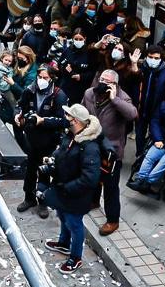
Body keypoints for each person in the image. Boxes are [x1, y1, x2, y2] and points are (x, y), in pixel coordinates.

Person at [42, 105, 104, 273]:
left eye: (68, 115)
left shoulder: (90, 147)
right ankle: (64, 243)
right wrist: (52, 160)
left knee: (74, 224)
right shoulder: (71, 135)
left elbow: (90, 178)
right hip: (64, 189)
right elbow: (61, 151)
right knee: (62, 215)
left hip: (76, 194)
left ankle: (75, 257)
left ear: (75, 120)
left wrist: (68, 187)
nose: (65, 117)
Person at [84, 69, 138, 235]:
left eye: (108, 81)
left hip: (112, 149)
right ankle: (93, 201)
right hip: (92, 144)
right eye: (102, 79)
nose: (103, 83)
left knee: (111, 186)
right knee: (92, 175)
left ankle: (113, 220)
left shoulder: (122, 98)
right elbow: (83, 113)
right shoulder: (89, 93)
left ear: (115, 84)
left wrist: (114, 99)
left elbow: (132, 114)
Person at [16, 65, 69, 214]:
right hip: (31, 139)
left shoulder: (59, 95)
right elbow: (20, 106)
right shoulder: (30, 90)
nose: (41, 80)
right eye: (40, 77)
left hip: (49, 141)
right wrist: (18, 116)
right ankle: (29, 198)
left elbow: (63, 121)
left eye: (45, 78)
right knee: (30, 170)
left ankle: (43, 202)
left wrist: (43, 121)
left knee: (45, 172)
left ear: (51, 78)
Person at [60, 28, 97, 103]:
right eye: (76, 39)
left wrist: (81, 76)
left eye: (81, 39)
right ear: (73, 39)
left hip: (81, 88)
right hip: (66, 86)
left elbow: (93, 72)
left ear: (85, 39)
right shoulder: (67, 50)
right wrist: (65, 68)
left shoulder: (90, 53)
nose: (78, 41)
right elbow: (60, 64)